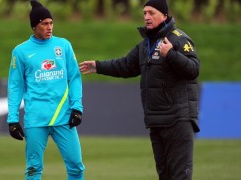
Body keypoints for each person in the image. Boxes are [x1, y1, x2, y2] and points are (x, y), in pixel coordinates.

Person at [79, 0, 200, 179]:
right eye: (144, 13)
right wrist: (98, 66)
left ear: (164, 15)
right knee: (164, 175)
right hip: (156, 120)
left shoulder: (178, 39)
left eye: (151, 13)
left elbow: (193, 70)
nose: (147, 17)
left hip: (178, 119)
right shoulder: (146, 45)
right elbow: (125, 65)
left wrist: (171, 55)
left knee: (180, 176)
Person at [7, 0, 85, 179]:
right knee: (33, 169)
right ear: (34, 26)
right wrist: (12, 119)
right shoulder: (20, 52)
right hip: (36, 119)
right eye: (44, 24)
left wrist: (77, 107)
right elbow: (15, 86)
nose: (49, 27)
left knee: (77, 167)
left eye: (51, 23)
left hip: (63, 117)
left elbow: (74, 78)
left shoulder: (63, 45)